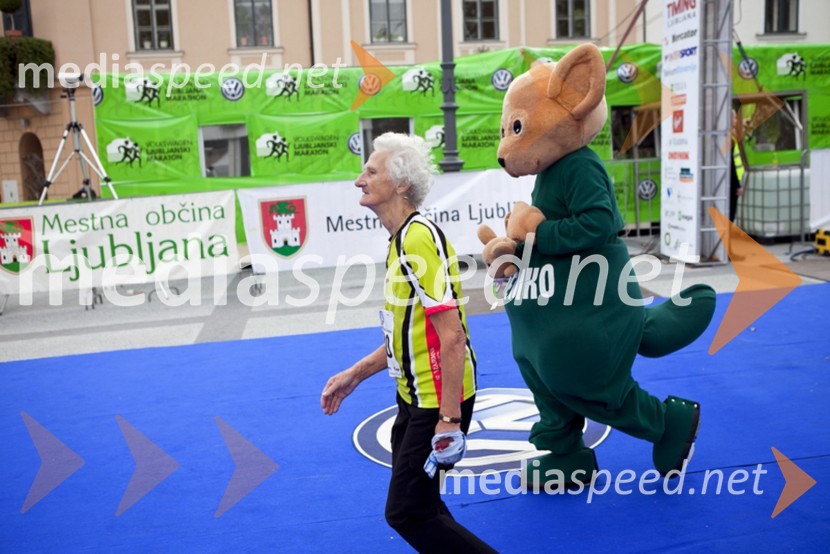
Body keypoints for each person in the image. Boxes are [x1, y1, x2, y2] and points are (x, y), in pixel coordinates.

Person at [321, 133, 496, 553]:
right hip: (413, 395)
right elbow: (406, 333)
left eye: (370, 171)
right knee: (423, 504)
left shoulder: (416, 239)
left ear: (401, 184)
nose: (359, 180)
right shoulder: (403, 238)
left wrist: (449, 419)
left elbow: (452, 336)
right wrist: (356, 374)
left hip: (436, 400)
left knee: (408, 512)